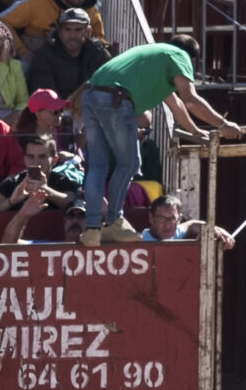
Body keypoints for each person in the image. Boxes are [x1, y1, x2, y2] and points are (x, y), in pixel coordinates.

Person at [78, 32, 244, 244]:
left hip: (91, 95)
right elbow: (191, 100)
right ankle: (113, 221)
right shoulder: (179, 56)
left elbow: (176, 105)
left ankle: (92, 229)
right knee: (130, 163)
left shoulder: (156, 61)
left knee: (98, 165)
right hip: (116, 100)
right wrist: (223, 124)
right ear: (192, 59)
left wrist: (194, 131)